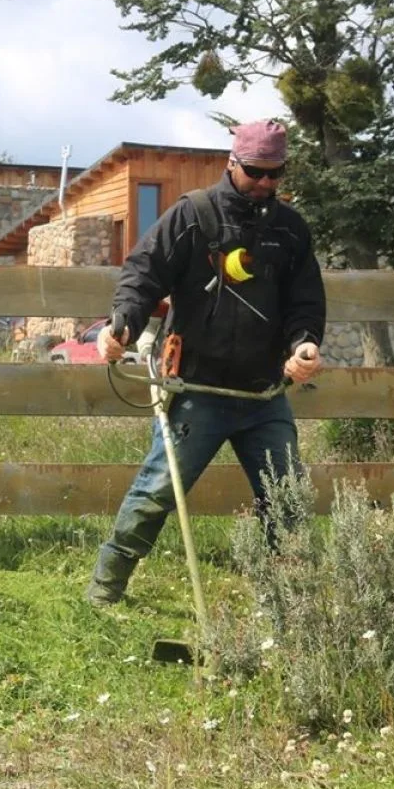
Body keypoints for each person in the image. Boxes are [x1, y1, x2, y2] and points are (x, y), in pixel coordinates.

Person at [85, 119, 326, 608]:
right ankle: (104, 592)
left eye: (275, 174)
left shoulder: (291, 230)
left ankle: (290, 607)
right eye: (256, 171)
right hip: (195, 391)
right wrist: (121, 326)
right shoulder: (191, 215)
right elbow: (141, 277)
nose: (264, 183)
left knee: (288, 506)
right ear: (232, 163)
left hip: (264, 396)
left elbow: (306, 304)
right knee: (156, 493)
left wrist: (305, 346)